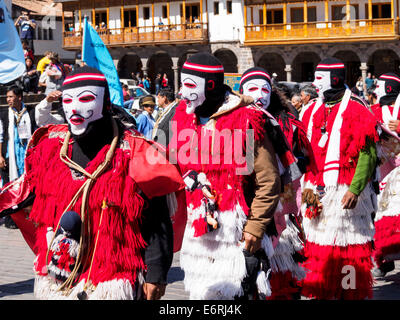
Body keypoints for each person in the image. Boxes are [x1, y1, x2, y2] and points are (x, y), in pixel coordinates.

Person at [0, 66, 186, 300]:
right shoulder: (50, 148)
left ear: (105, 103)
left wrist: (156, 273)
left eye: (86, 98)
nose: (74, 108)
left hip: (114, 277)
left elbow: (158, 219)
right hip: (60, 274)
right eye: (67, 100)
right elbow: (26, 193)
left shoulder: (135, 152)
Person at [168, 52, 281, 300]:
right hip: (198, 235)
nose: (181, 93)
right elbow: (174, 166)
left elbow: (268, 180)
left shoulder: (246, 120)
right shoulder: (182, 115)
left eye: (188, 85)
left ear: (209, 86)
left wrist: (255, 226)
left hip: (238, 233)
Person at [300, 58, 379, 300]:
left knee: (349, 250)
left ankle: (349, 294)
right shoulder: (311, 109)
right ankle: (325, 293)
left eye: (319, 79)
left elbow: (368, 152)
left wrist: (355, 189)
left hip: (346, 191)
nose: (314, 84)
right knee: (319, 248)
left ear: (334, 80)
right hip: (316, 189)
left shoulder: (357, 108)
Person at [240, 67, 315, 300]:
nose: (260, 95)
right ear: (241, 92)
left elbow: (304, 158)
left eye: (265, 89)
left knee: (280, 272)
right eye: (253, 89)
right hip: (247, 209)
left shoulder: (288, 121)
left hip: (282, 207)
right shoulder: (231, 121)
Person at [369, 73, 400, 277]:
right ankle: (383, 258)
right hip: (382, 170)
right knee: (381, 214)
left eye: (379, 85)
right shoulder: (372, 111)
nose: (375, 89)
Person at [0, 86, 38, 229]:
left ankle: (29, 215)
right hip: (11, 157)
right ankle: (11, 219)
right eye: (7, 97)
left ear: (19, 97)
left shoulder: (29, 112)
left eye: (11, 97)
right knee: (10, 187)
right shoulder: (4, 114)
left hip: (26, 156)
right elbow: (0, 136)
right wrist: (0, 156)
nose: (8, 100)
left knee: (28, 186)